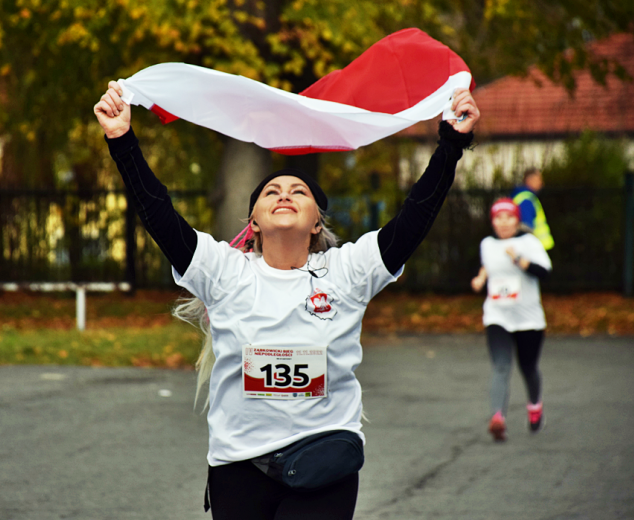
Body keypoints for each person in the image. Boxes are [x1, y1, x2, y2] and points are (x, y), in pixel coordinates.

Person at [94, 80, 479, 519]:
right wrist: (121, 140)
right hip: (238, 468)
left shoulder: (346, 271)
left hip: (324, 460)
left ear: (317, 222)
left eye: (299, 191)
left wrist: (450, 143)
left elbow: (414, 218)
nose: (284, 194)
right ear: (253, 222)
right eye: (271, 192)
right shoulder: (224, 272)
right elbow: (159, 213)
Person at [470, 198, 552, 442]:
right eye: (498, 218)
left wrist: (519, 260)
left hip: (529, 319)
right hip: (497, 315)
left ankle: (535, 405)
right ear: (492, 221)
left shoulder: (528, 242)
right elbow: (488, 265)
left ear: (517, 220)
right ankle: (498, 417)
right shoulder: (486, 244)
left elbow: (545, 271)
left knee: (528, 367)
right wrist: (480, 278)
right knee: (501, 365)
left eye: (508, 217)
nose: (503, 222)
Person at [511, 168, 554, 250]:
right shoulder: (526, 199)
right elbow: (525, 228)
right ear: (529, 180)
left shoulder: (523, 196)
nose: (541, 183)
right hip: (534, 248)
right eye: (539, 179)